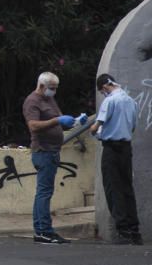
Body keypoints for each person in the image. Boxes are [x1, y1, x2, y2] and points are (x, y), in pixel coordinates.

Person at [23, 71, 81, 244]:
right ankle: (43, 230)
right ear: (41, 86)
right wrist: (56, 121)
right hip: (43, 151)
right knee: (44, 192)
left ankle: (42, 229)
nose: (53, 91)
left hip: (53, 150)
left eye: (55, 88)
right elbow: (33, 125)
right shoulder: (32, 101)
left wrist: (74, 121)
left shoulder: (49, 100)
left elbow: (59, 118)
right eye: (51, 88)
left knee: (44, 192)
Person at [92, 74, 142, 245]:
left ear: (104, 87)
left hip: (111, 148)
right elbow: (133, 125)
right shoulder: (131, 101)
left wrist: (91, 129)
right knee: (127, 187)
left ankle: (123, 230)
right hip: (126, 148)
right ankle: (134, 230)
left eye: (102, 91)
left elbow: (97, 125)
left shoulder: (110, 101)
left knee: (113, 188)